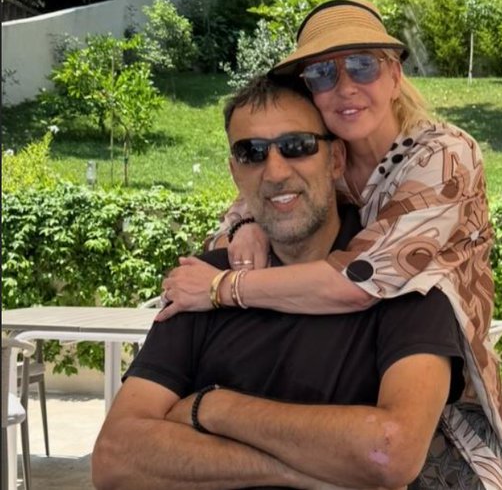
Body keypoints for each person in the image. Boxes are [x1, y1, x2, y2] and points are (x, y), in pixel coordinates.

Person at [157, 0, 502, 490]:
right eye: (322, 74)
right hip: (346, 391)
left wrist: (222, 288)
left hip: (440, 404)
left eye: (362, 66)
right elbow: (255, 201)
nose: (345, 86)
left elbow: (357, 281)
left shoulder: (442, 157)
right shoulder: (323, 160)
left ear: (394, 76)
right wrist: (244, 223)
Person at [92, 75, 467, 489]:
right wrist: (299, 468)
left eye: (297, 146)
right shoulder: (204, 281)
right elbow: (115, 457)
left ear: (336, 159)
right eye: (251, 152)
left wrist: (213, 407)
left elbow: (391, 452)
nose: (274, 171)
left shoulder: (403, 280)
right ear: (235, 172)